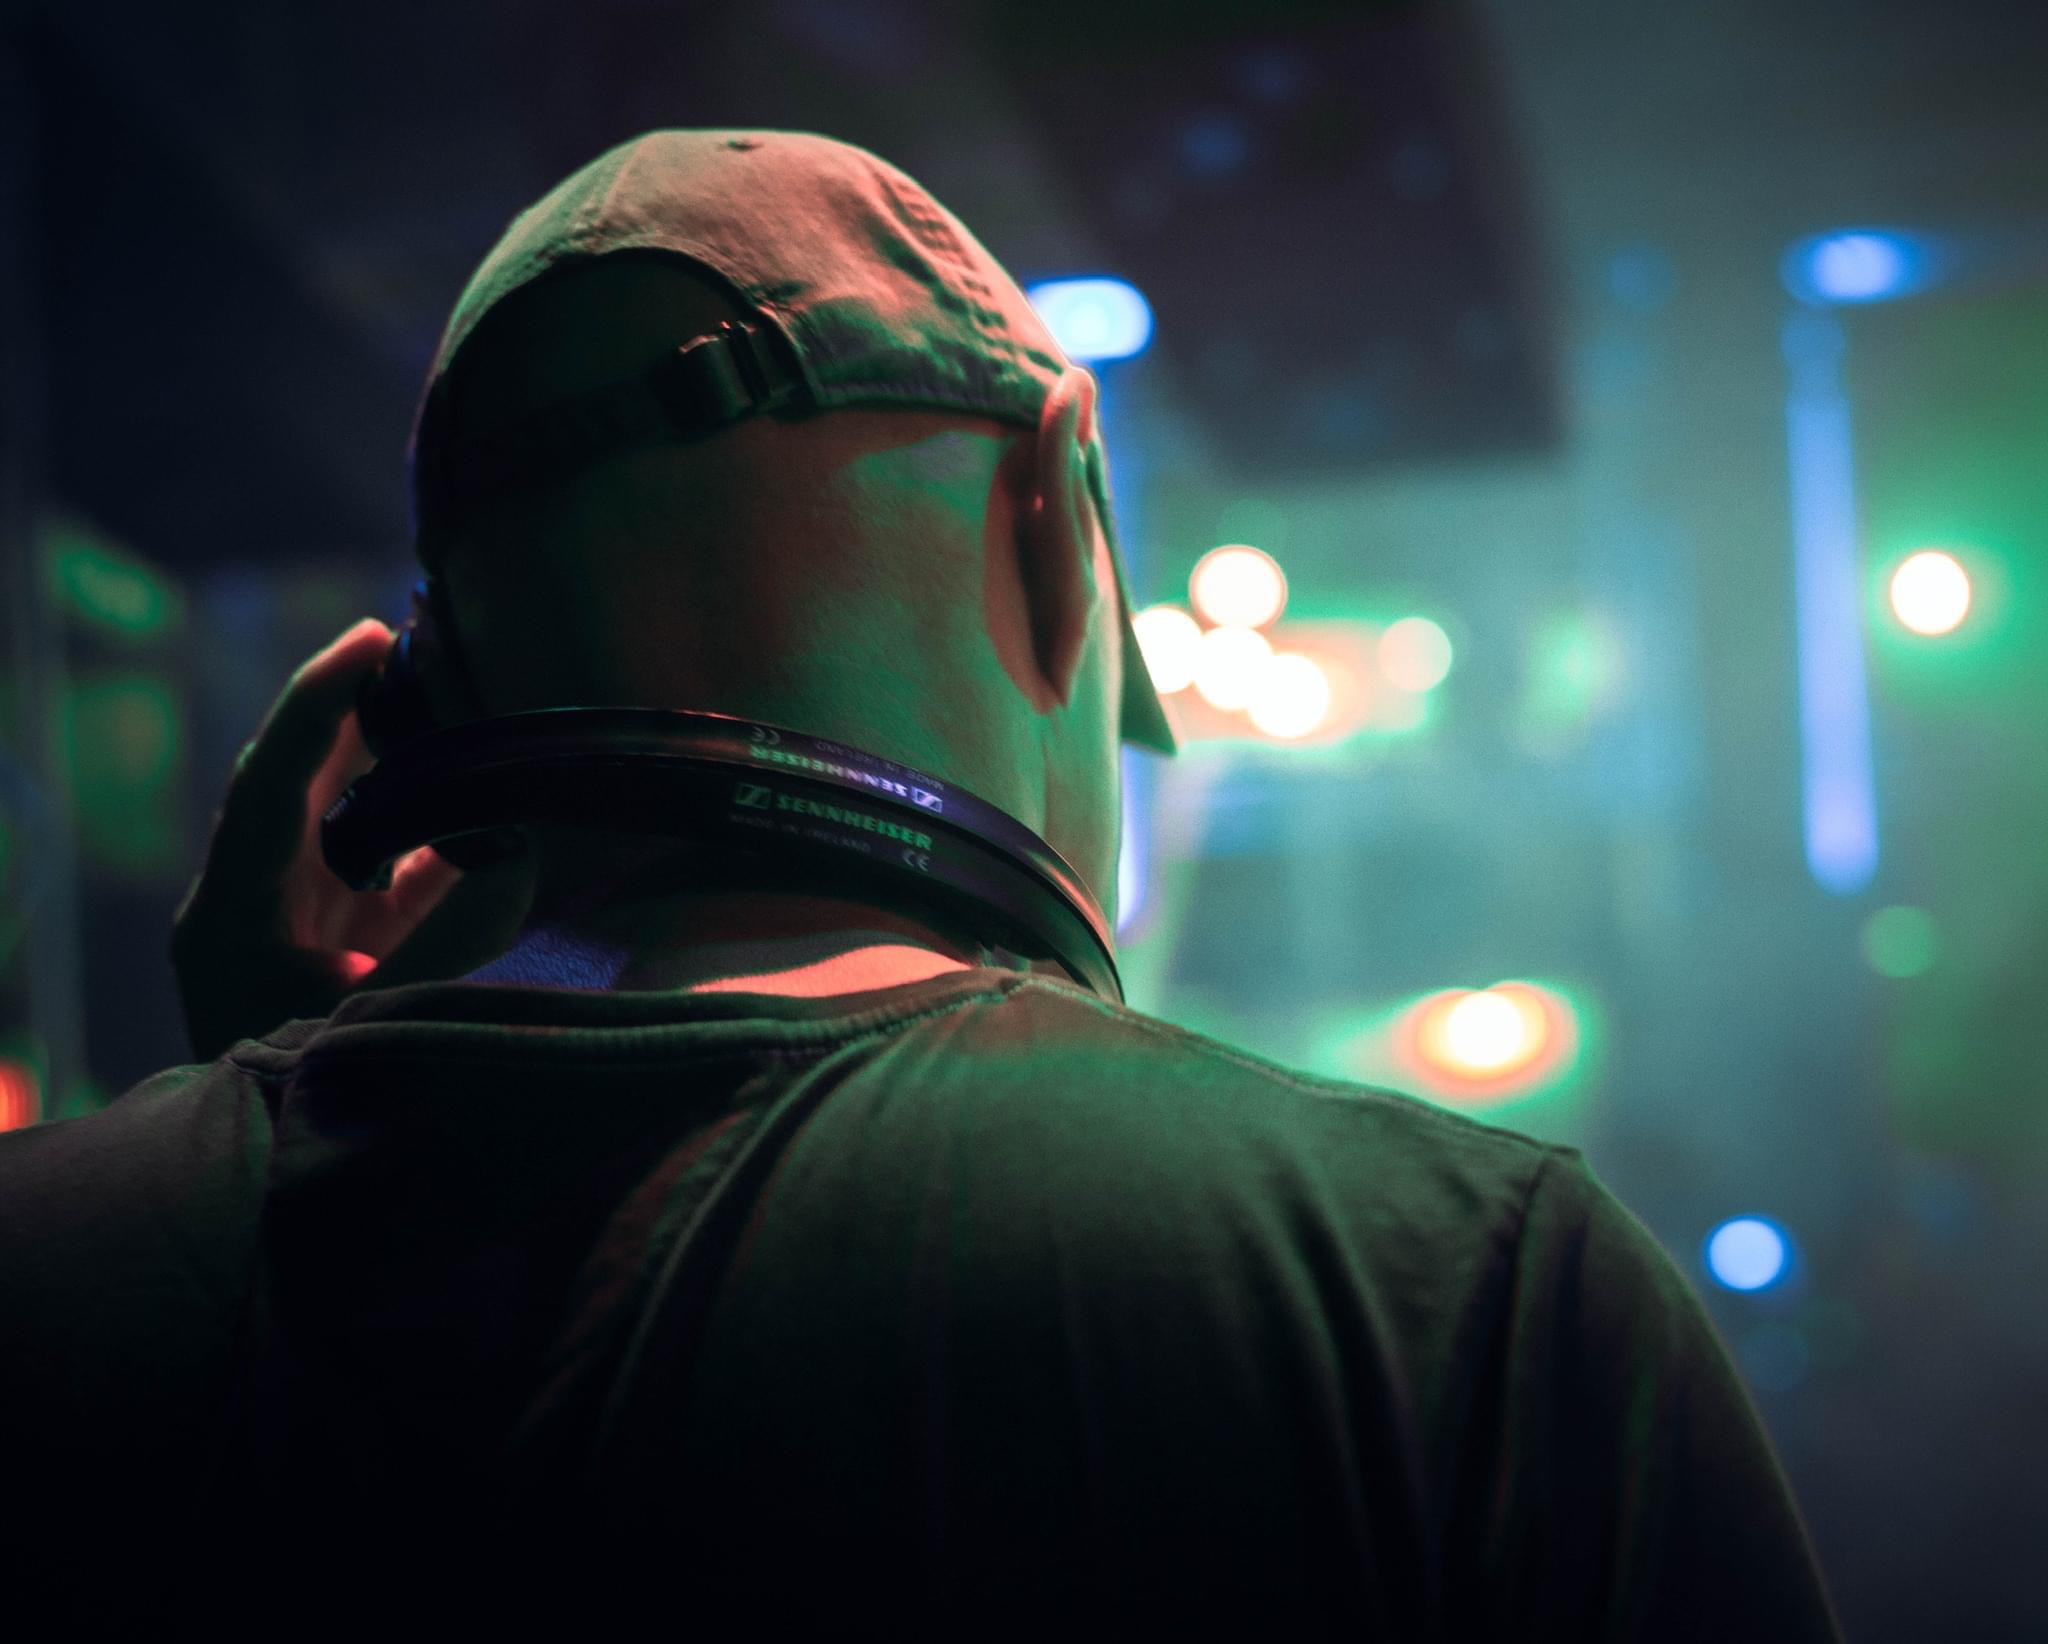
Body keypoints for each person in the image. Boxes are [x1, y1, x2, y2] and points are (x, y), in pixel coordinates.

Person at [0, 129, 1841, 1637]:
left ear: (433, 674)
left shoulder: (58, 1265)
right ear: (1058, 500)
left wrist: (232, 1140)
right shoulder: (1461, 1297)